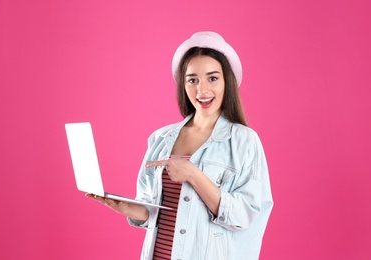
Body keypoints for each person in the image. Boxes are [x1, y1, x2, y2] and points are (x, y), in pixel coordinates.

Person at [86, 31, 273, 260]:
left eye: (212, 78)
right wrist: (125, 207)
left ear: (227, 82)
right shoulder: (160, 138)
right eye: (192, 80)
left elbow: (245, 216)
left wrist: (194, 175)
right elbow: (152, 210)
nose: (201, 90)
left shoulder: (244, 141)